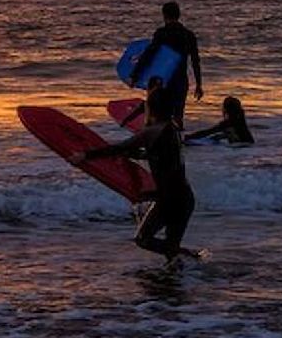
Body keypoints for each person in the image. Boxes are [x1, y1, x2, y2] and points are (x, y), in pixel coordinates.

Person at [72, 84, 195, 263]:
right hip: (184, 196)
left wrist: (85, 156)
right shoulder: (172, 130)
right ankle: (187, 270)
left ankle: (189, 260)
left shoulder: (152, 132)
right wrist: (137, 155)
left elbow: (117, 148)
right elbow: (162, 158)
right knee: (170, 250)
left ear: (150, 108)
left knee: (143, 239)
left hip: (169, 199)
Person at [131, 1, 202, 127]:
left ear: (164, 15)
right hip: (180, 80)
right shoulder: (188, 35)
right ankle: (178, 142)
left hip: (163, 81)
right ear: (178, 15)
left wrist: (136, 74)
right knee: (178, 116)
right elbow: (195, 61)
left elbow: (149, 54)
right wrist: (198, 84)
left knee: (160, 116)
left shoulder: (161, 33)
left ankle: (157, 141)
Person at [185, 96, 253, 145]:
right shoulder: (240, 122)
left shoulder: (228, 123)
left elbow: (207, 132)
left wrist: (190, 137)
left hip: (241, 147)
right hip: (248, 146)